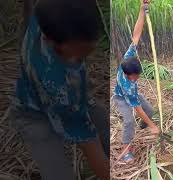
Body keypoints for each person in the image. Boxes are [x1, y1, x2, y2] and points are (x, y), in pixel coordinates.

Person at [8, 0, 109, 179]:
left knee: (107, 128)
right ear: (51, 41)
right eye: (80, 51)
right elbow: (89, 144)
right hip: (32, 114)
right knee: (59, 174)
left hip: (75, 98)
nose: (88, 52)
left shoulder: (50, 14)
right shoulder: (58, 81)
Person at [113, 0, 160, 164]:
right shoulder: (127, 85)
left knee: (150, 111)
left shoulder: (129, 56)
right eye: (133, 77)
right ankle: (126, 150)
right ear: (126, 74)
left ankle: (142, 128)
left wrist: (142, 10)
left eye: (137, 76)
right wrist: (153, 126)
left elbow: (136, 34)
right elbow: (137, 109)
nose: (136, 79)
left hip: (133, 95)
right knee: (129, 120)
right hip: (120, 98)